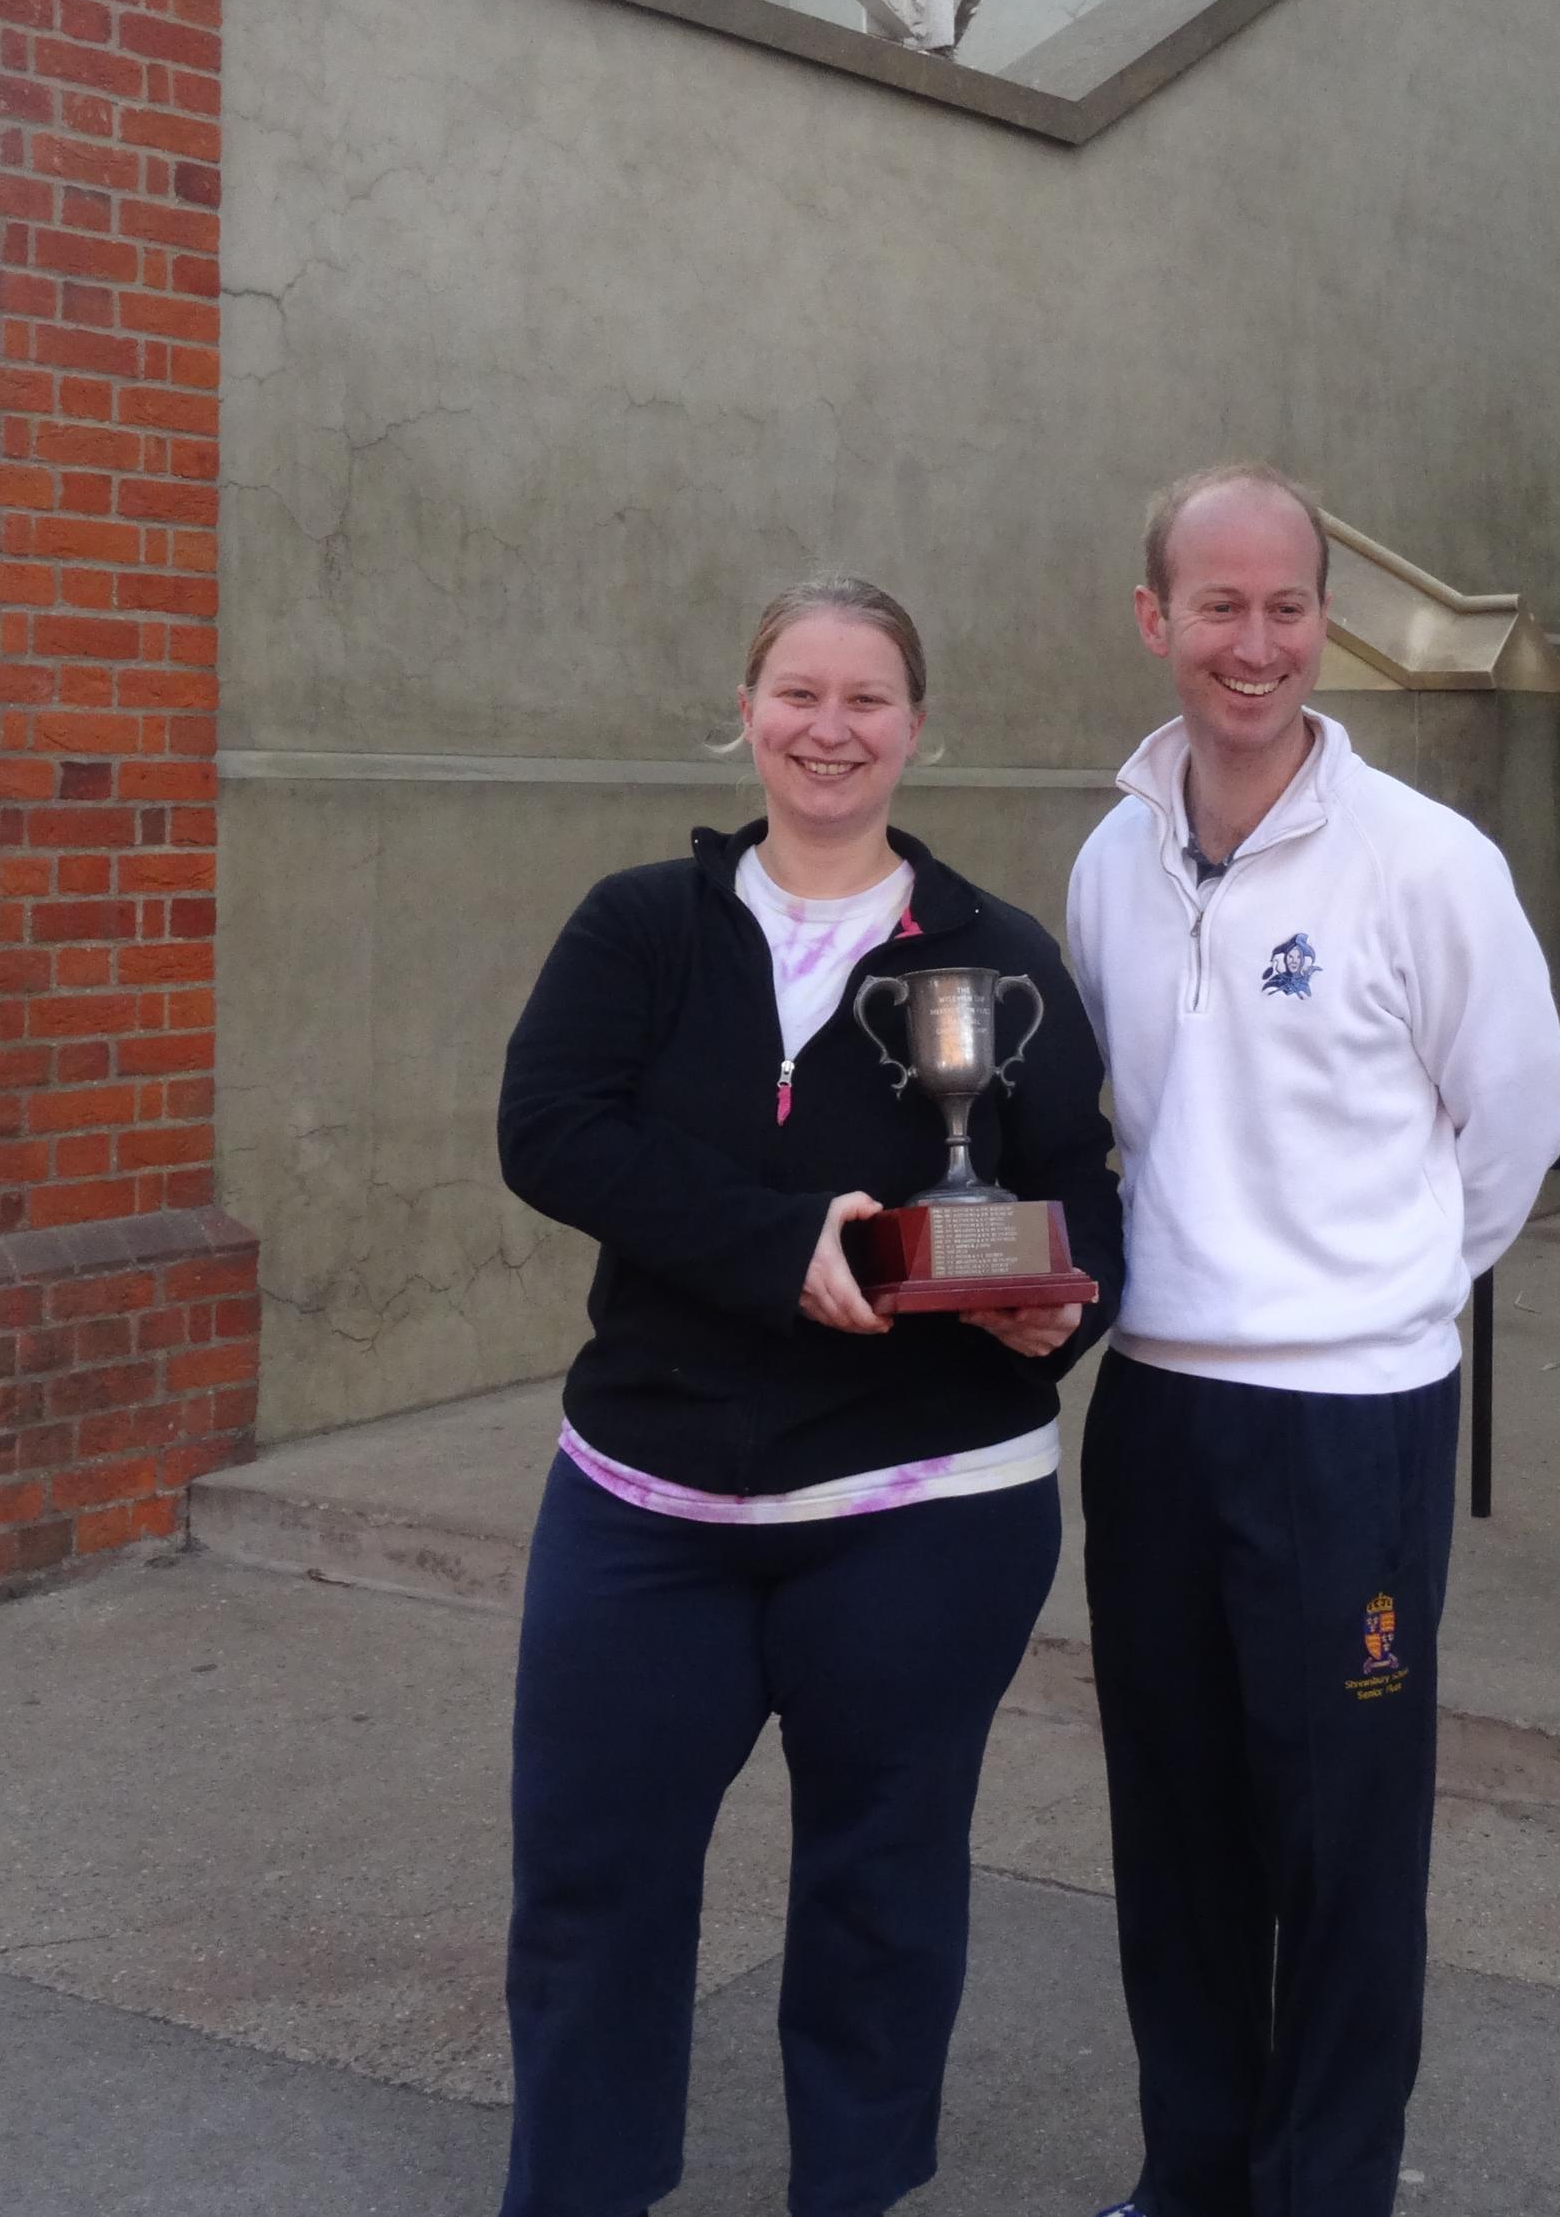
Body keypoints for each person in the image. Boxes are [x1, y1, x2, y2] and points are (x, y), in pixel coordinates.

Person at [491, 574, 1121, 2217]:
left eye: (866, 698)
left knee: (881, 1889)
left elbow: (1075, 1184)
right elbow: (550, 1127)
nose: (829, 728)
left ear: (917, 727)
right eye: (798, 692)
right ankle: (577, 2192)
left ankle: (850, 2193)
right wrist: (781, 1245)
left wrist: (1053, 1313)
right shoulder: (640, 924)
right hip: (647, 1499)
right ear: (749, 710)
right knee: (591, 1884)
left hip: (922, 1514)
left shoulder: (995, 951)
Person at [1064, 465, 1560, 2217]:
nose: (1255, 643)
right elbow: (1125, 1122)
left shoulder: (1427, 864)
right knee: (1178, 1827)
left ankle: (1323, 2186)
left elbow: (1510, 1125)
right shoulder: (1109, 854)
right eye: (1217, 606)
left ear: (1324, 627)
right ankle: (1192, 2171)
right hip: (1152, 1422)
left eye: (1288, 608)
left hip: (1349, 1426)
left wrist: (1386, 1292)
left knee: (1341, 1848)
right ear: (1156, 621)